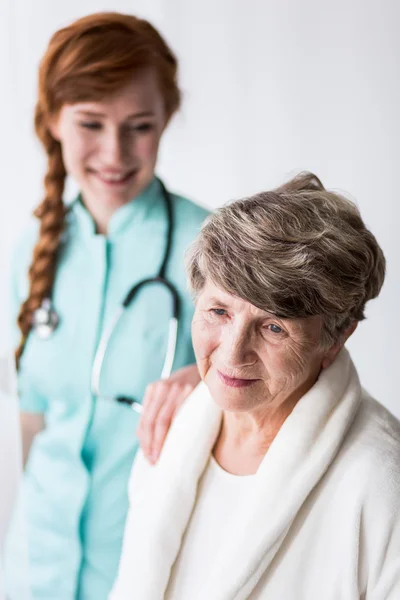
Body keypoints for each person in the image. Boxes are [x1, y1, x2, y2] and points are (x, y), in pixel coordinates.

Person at [111, 172, 400, 600]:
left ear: (336, 337)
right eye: (218, 311)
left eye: (272, 327)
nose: (231, 355)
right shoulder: (175, 426)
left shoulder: (380, 482)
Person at [9, 12, 206, 600]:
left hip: (151, 563)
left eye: (138, 125)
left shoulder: (217, 249)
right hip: (34, 563)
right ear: (52, 121)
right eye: (91, 123)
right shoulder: (31, 250)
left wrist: (212, 381)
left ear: (167, 117)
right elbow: (32, 417)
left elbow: (276, 396)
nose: (114, 153)